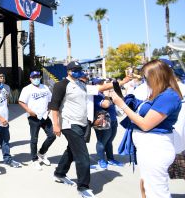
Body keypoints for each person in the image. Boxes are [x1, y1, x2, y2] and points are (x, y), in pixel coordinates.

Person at [111, 59, 182, 198]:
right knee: (150, 188)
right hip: (149, 148)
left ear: (156, 76)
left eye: (146, 77)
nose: (145, 80)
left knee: (157, 192)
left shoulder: (168, 96)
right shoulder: (161, 94)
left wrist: (122, 105)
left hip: (155, 148)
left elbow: (145, 124)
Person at [49, 61, 95, 197]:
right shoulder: (61, 85)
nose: (78, 71)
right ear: (68, 71)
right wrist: (56, 125)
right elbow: (54, 106)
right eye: (75, 69)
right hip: (69, 124)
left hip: (81, 123)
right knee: (83, 156)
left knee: (72, 150)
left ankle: (59, 173)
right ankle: (83, 187)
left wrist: (120, 83)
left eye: (79, 69)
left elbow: (99, 89)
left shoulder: (82, 84)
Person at [18, 71, 55, 171]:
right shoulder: (27, 89)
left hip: (45, 116)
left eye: (38, 77)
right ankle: (34, 159)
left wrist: (49, 109)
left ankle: (42, 153)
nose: (36, 79)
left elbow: (50, 100)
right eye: (34, 77)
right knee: (34, 139)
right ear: (30, 78)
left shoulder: (45, 87)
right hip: (33, 117)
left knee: (52, 135)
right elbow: (21, 101)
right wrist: (29, 111)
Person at [91, 78, 123, 170]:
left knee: (109, 141)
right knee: (102, 141)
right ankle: (101, 160)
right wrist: (106, 95)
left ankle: (110, 159)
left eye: (103, 82)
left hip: (113, 120)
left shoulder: (105, 94)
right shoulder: (95, 95)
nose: (103, 84)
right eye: (100, 83)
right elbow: (105, 105)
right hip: (102, 121)